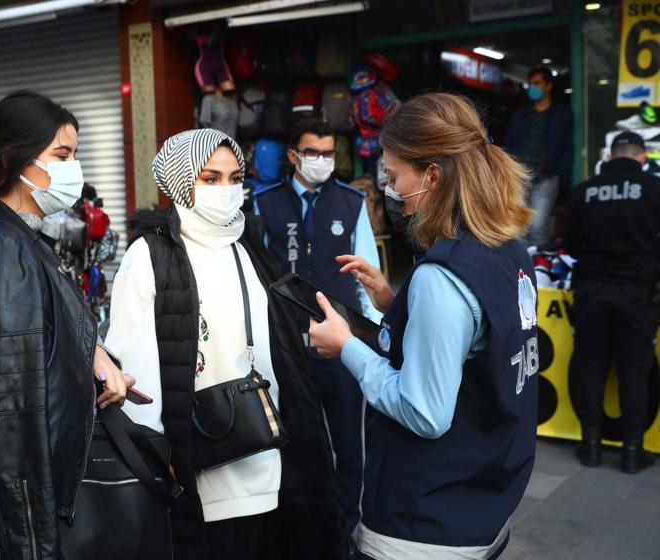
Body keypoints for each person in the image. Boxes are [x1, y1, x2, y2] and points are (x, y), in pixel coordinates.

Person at [309, 93, 538, 559]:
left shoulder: (442, 276)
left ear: (432, 174)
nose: (391, 192)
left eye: (394, 178)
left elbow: (425, 413)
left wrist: (347, 346)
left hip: (422, 527)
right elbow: (473, 346)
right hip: (484, 503)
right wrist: (396, 303)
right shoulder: (508, 250)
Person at [104, 128, 347, 560]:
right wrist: (158, 457)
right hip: (201, 458)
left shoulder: (245, 244)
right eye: (210, 179)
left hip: (268, 451)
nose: (227, 191)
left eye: (235, 178)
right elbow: (134, 364)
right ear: (180, 182)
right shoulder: (151, 255)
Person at [0, 90, 134, 557]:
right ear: (14, 158)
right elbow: (9, 407)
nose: (72, 170)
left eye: (75, 155)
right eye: (61, 155)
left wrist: (94, 359)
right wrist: (31, 535)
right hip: (27, 487)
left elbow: (38, 344)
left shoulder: (14, 233)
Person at [254, 118, 381, 534]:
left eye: (328, 153)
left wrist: (374, 335)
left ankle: (346, 526)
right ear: (293, 156)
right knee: (289, 438)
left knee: (348, 441)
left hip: (339, 341)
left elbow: (368, 274)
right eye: (313, 153)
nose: (322, 161)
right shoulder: (265, 202)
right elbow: (257, 274)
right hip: (285, 343)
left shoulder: (350, 202)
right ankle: (296, 524)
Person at [564, 131, 660, 474]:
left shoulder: (584, 191)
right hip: (638, 294)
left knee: (589, 366)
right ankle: (632, 452)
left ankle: (590, 445)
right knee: (635, 370)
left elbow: (569, 244)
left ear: (609, 156)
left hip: (591, 291)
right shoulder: (653, 189)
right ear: (642, 158)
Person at [505, 66, 573, 247]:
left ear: (548, 85)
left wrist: (559, 175)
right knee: (518, 227)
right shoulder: (520, 115)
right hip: (520, 176)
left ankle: (539, 267)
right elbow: (509, 144)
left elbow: (568, 148)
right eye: (530, 84)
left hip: (546, 177)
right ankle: (521, 269)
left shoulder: (562, 115)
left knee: (538, 226)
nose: (532, 87)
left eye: (537, 83)